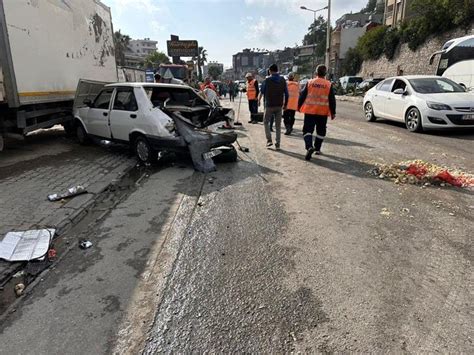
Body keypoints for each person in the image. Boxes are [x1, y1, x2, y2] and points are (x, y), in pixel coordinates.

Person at [298, 65, 336, 161]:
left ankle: (309, 146)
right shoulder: (328, 84)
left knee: (307, 130)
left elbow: (303, 95)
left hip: (310, 111)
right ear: (325, 74)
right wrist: (333, 112)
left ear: (316, 73)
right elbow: (332, 99)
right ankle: (317, 148)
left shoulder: (310, 82)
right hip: (322, 112)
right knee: (321, 131)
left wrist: (298, 106)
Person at [259, 64, 288, 150]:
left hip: (269, 105)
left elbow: (262, 91)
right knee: (278, 126)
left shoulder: (267, 80)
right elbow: (286, 94)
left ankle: (269, 140)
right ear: (277, 70)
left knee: (265, 122)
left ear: (270, 71)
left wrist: (258, 100)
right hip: (279, 106)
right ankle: (278, 144)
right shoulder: (283, 80)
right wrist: (285, 105)